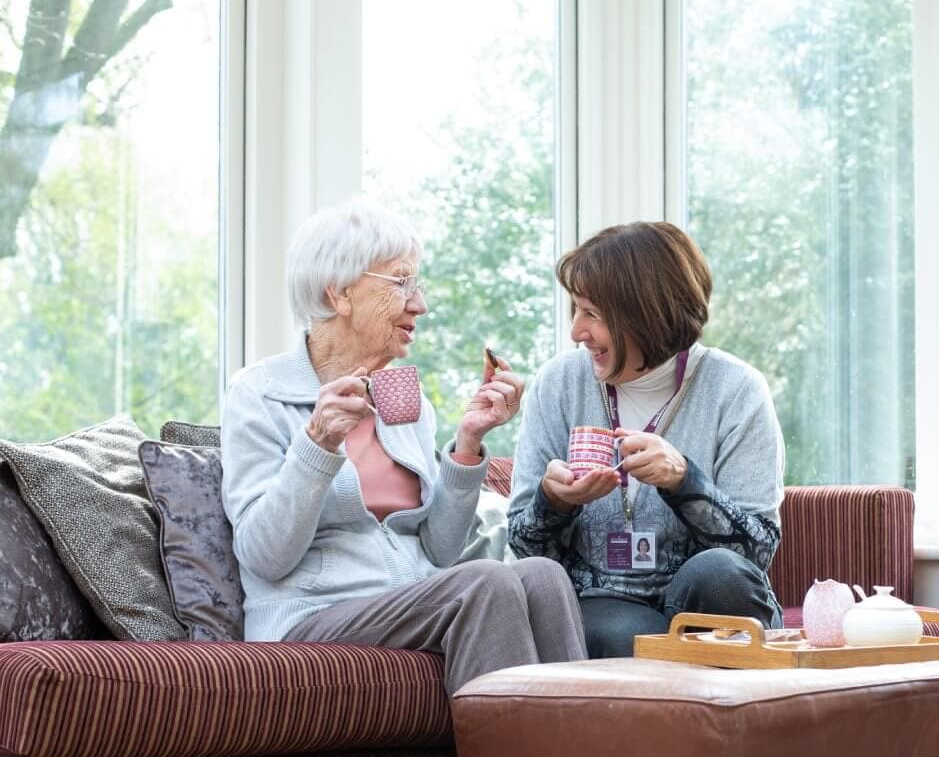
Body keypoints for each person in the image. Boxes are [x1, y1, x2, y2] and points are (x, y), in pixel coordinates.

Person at [221, 197, 586, 694]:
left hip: (406, 600)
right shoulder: (259, 395)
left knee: (541, 576)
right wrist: (319, 442)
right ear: (339, 293)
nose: (420, 304)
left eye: (417, 285)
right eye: (401, 283)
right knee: (488, 581)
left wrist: (468, 443)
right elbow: (264, 556)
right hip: (310, 614)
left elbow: (440, 548)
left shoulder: (402, 397)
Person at [508, 221, 785, 658]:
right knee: (619, 636)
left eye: (592, 314)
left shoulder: (736, 389)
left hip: (706, 599)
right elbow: (525, 549)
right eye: (575, 311)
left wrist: (684, 481)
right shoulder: (559, 384)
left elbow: (755, 553)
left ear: (645, 314)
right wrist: (554, 501)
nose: (576, 332)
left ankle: (728, 714)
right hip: (603, 600)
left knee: (722, 576)